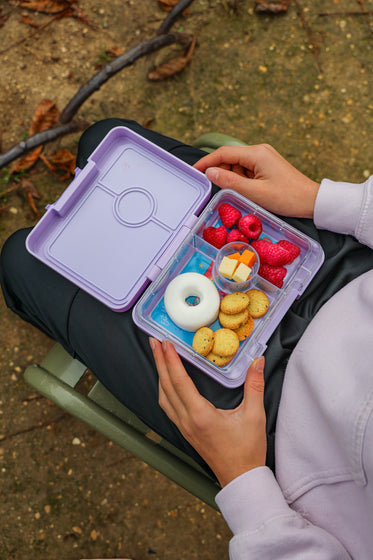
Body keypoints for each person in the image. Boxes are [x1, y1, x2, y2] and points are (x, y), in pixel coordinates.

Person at [1, 119, 372, 558]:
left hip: (269, 426)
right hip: (336, 270)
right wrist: (332, 201)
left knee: (20, 261)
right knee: (106, 141)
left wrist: (244, 481)